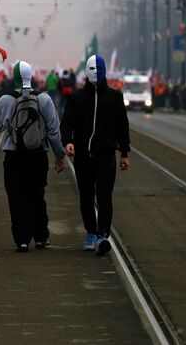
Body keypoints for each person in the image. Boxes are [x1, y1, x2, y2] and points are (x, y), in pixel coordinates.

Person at [0, 61, 66, 252]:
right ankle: (41, 237)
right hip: (38, 155)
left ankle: (21, 240)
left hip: (14, 157)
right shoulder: (45, 99)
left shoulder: (6, 99)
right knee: (37, 195)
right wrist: (59, 155)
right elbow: (53, 131)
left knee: (17, 198)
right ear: (31, 76)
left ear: (13, 77)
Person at [61, 55, 130, 256]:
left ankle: (103, 234)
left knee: (104, 197)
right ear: (86, 72)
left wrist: (124, 153)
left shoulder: (115, 97)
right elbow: (66, 124)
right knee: (86, 197)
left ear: (104, 71)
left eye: (98, 69)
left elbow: (122, 128)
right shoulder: (76, 98)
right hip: (83, 157)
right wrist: (68, 141)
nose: (95, 73)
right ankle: (91, 231)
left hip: (106, 156)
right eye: (91, 69)